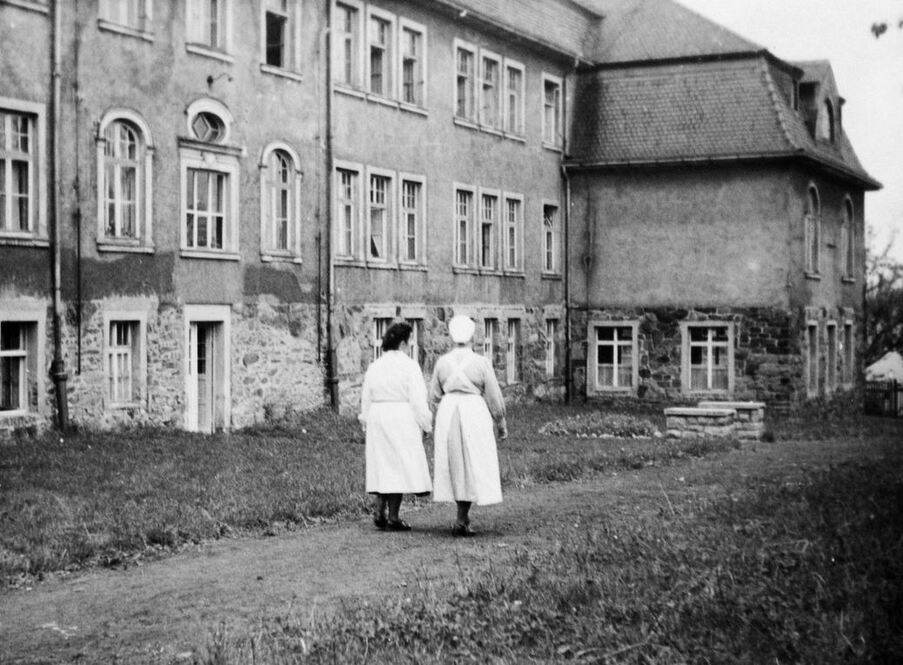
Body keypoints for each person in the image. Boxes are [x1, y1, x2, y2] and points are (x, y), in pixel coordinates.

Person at [429, 315, 508, 537]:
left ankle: (461, 516)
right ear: (472, 336)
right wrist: (500, 423)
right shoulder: (480, 363)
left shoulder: (443, 362)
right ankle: (462, 518)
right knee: (472, 460)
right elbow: (493, 395)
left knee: (455, 460)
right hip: (473, 411)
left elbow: (434, 395)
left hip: (449, 410)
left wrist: (433, 418)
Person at [359, 321, 433, 531]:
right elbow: (418, 399)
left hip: (378, 415)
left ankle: (380, 505)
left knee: (383, 462)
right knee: (398, 464)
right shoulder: (409, 366)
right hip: (401, 416)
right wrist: (425, 424)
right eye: (408, 341)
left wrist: (365, 420)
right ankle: (393, 516)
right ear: (403, 343)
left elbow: (366, 396)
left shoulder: (375, 366)